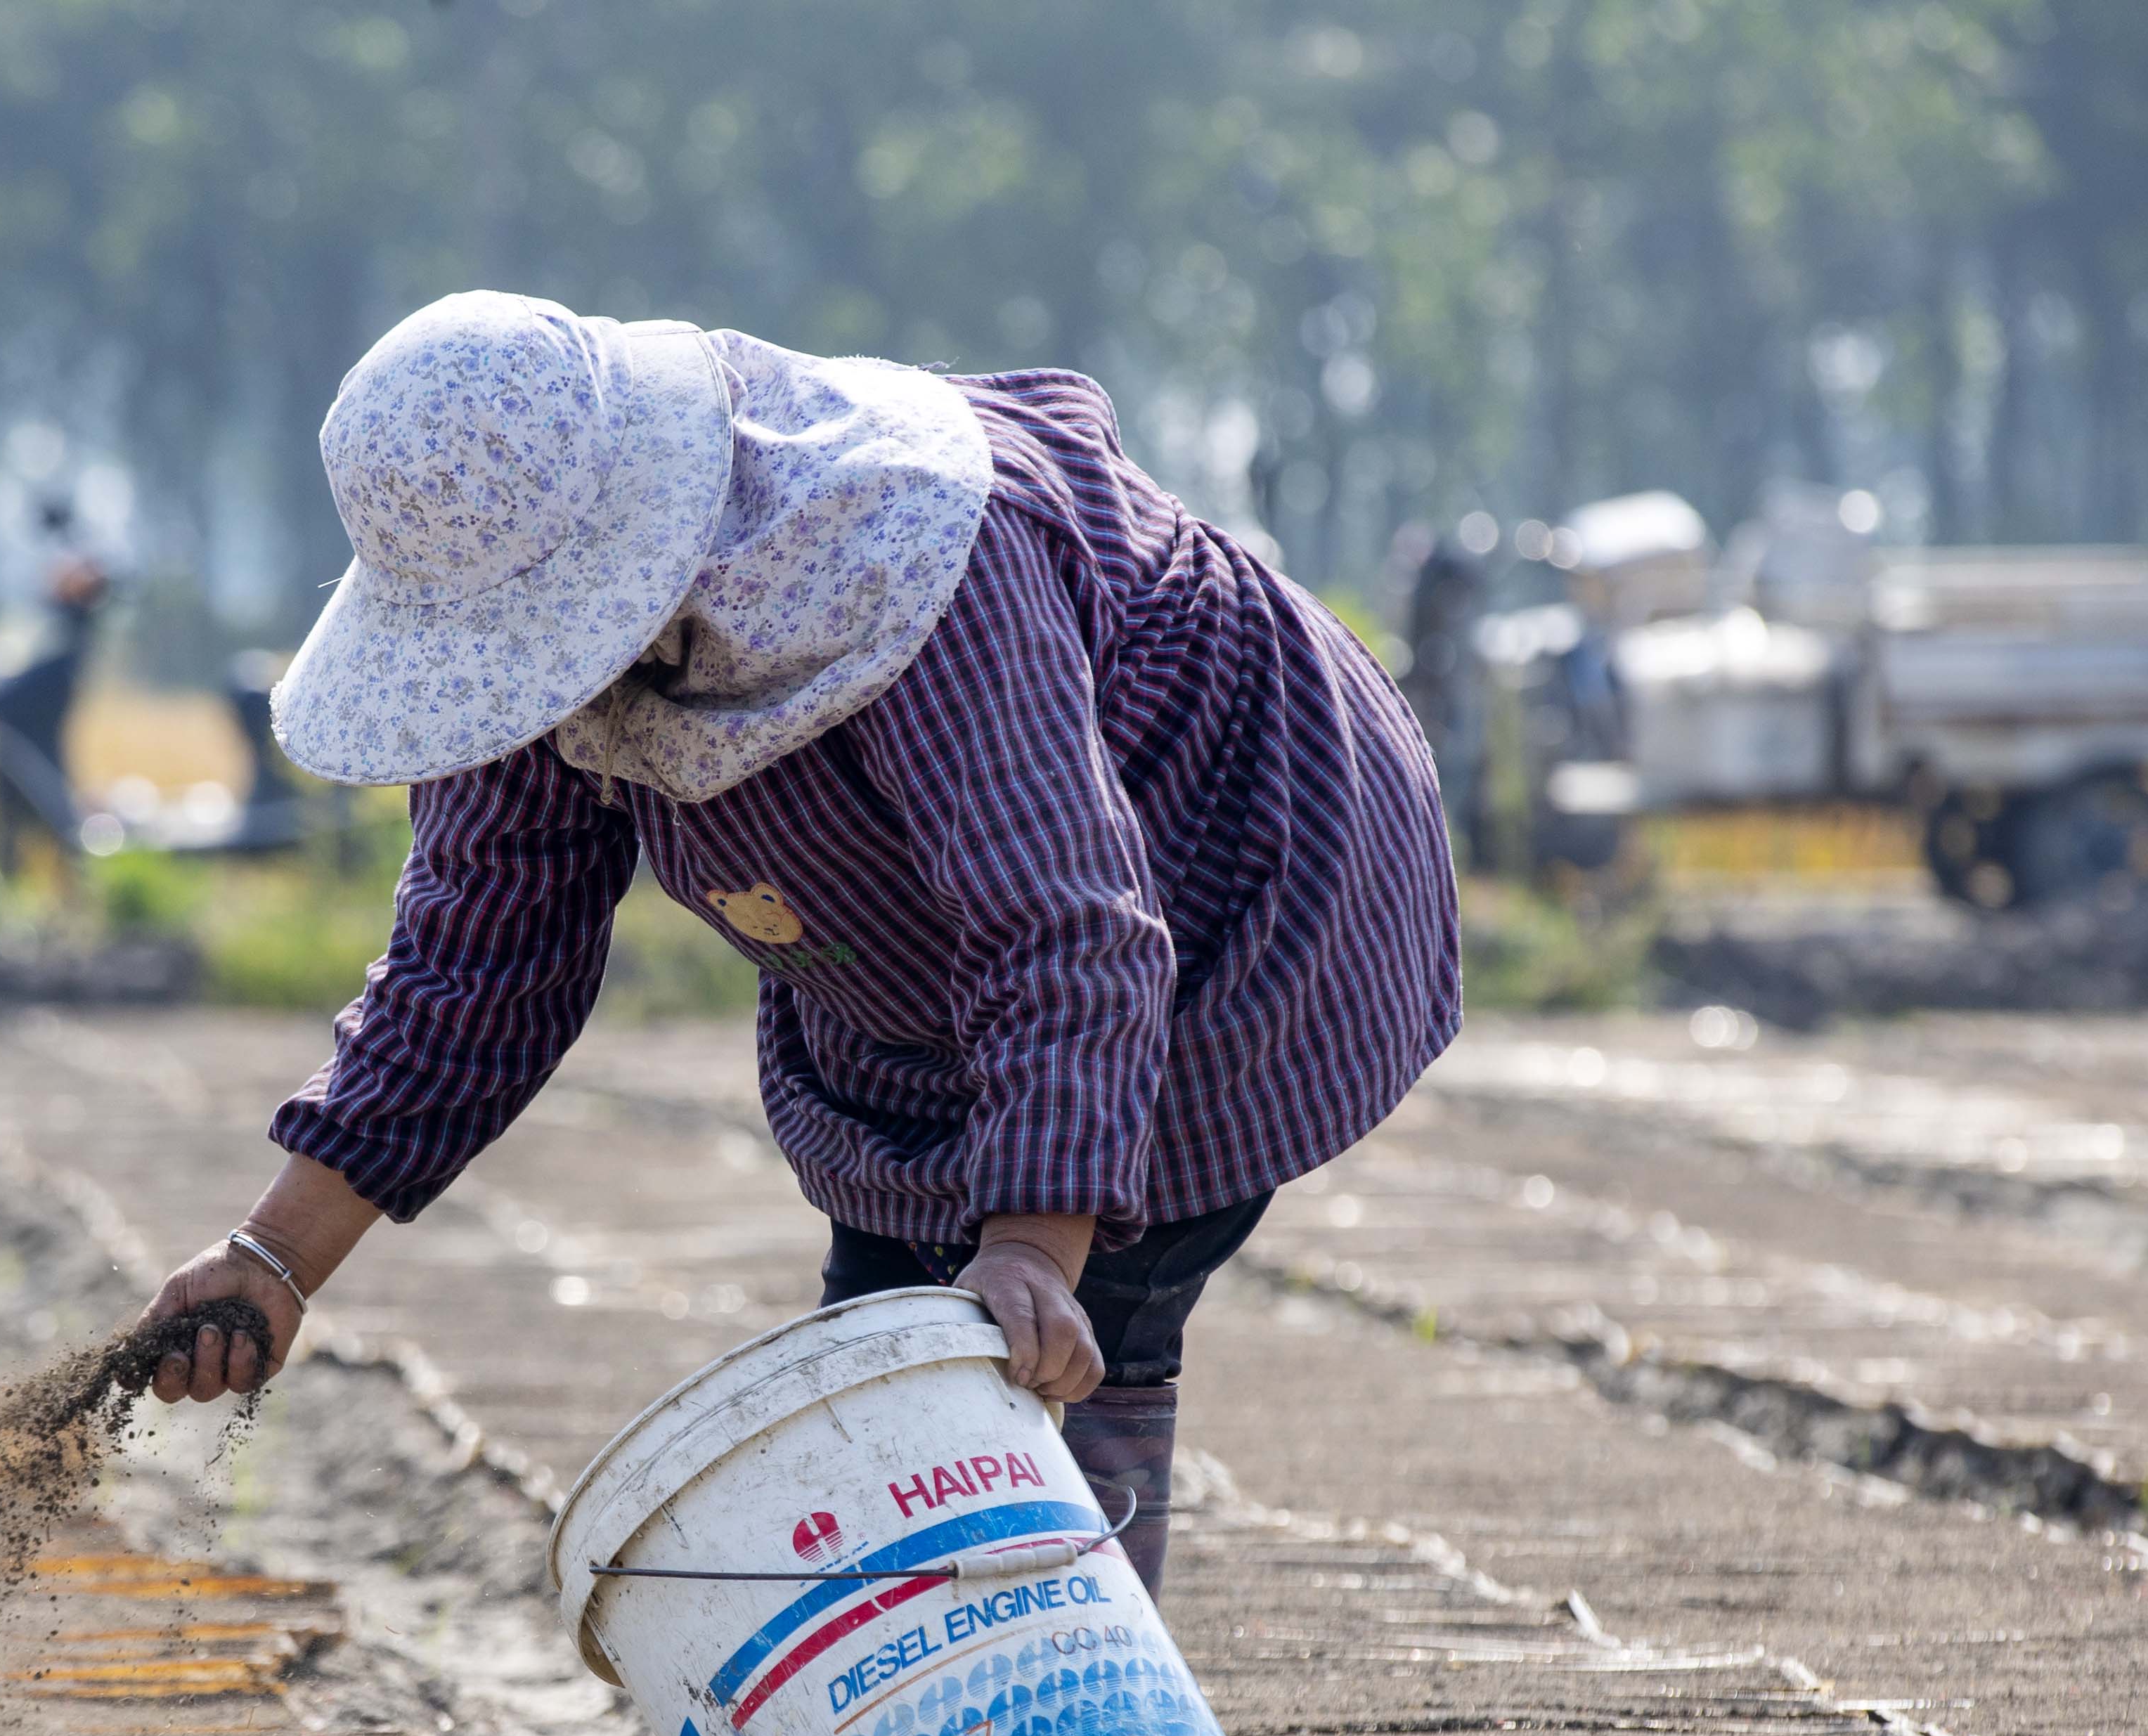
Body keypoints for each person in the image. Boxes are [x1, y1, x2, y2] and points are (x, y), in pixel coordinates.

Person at [143, 290, 1458, 1594]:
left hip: (1226, 892)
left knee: (1044, 1361)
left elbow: (1065, 925)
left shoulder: (907, 545)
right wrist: (273, 1260)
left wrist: (1029, 1250)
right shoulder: (526, 654)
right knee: (883, 1373)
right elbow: (477, 954)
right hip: (901, 978)